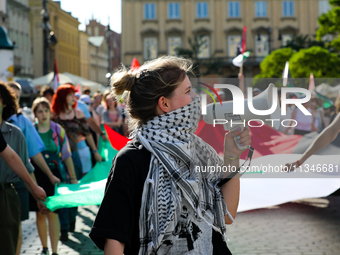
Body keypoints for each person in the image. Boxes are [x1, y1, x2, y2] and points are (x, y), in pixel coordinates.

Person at [89, 56, 251, 255]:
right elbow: (114, 242)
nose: (195, 98)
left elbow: (226, 215)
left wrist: (232, 157)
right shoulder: (130, 159)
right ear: (164, 104)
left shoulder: (199, 149)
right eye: (188, 91)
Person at [7, 81, 60, 255]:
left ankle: (53, 249)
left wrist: (50, 176)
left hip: (21, 179)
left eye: (14, 96)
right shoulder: (24, 123)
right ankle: (45, 247)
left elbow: (33, 154)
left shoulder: (23, 123)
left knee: (16, 226)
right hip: (29, 175)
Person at [0, 81, 46, 255]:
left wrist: (36, 193)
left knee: (9, 243)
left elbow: (22, 164)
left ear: (5, 102)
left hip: (6, 194)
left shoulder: (15, 133)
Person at [51, 84, 102, 240]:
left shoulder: (78, 113)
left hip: (75, 156)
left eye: (74, 95)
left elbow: (87, 134)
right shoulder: (54, 116)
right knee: (62, 189)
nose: (74, 97)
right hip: (58, 158)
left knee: (75, 187)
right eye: (70, 95)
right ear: (62, 97)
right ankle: (64, 228)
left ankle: (72, 219)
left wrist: (95, 152)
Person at [30, 97, 78, 255]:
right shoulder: (31, 130)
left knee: (53, 212)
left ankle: (55, 250)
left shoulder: (58, 130)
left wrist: (72, 177)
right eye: (39, 111)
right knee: (40, 212)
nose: (43, 114)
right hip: (36, 174)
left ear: (50, 112)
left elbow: (66, 154)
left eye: (46, 110)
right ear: (35, 114)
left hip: (55, 174)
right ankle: (44, 248)